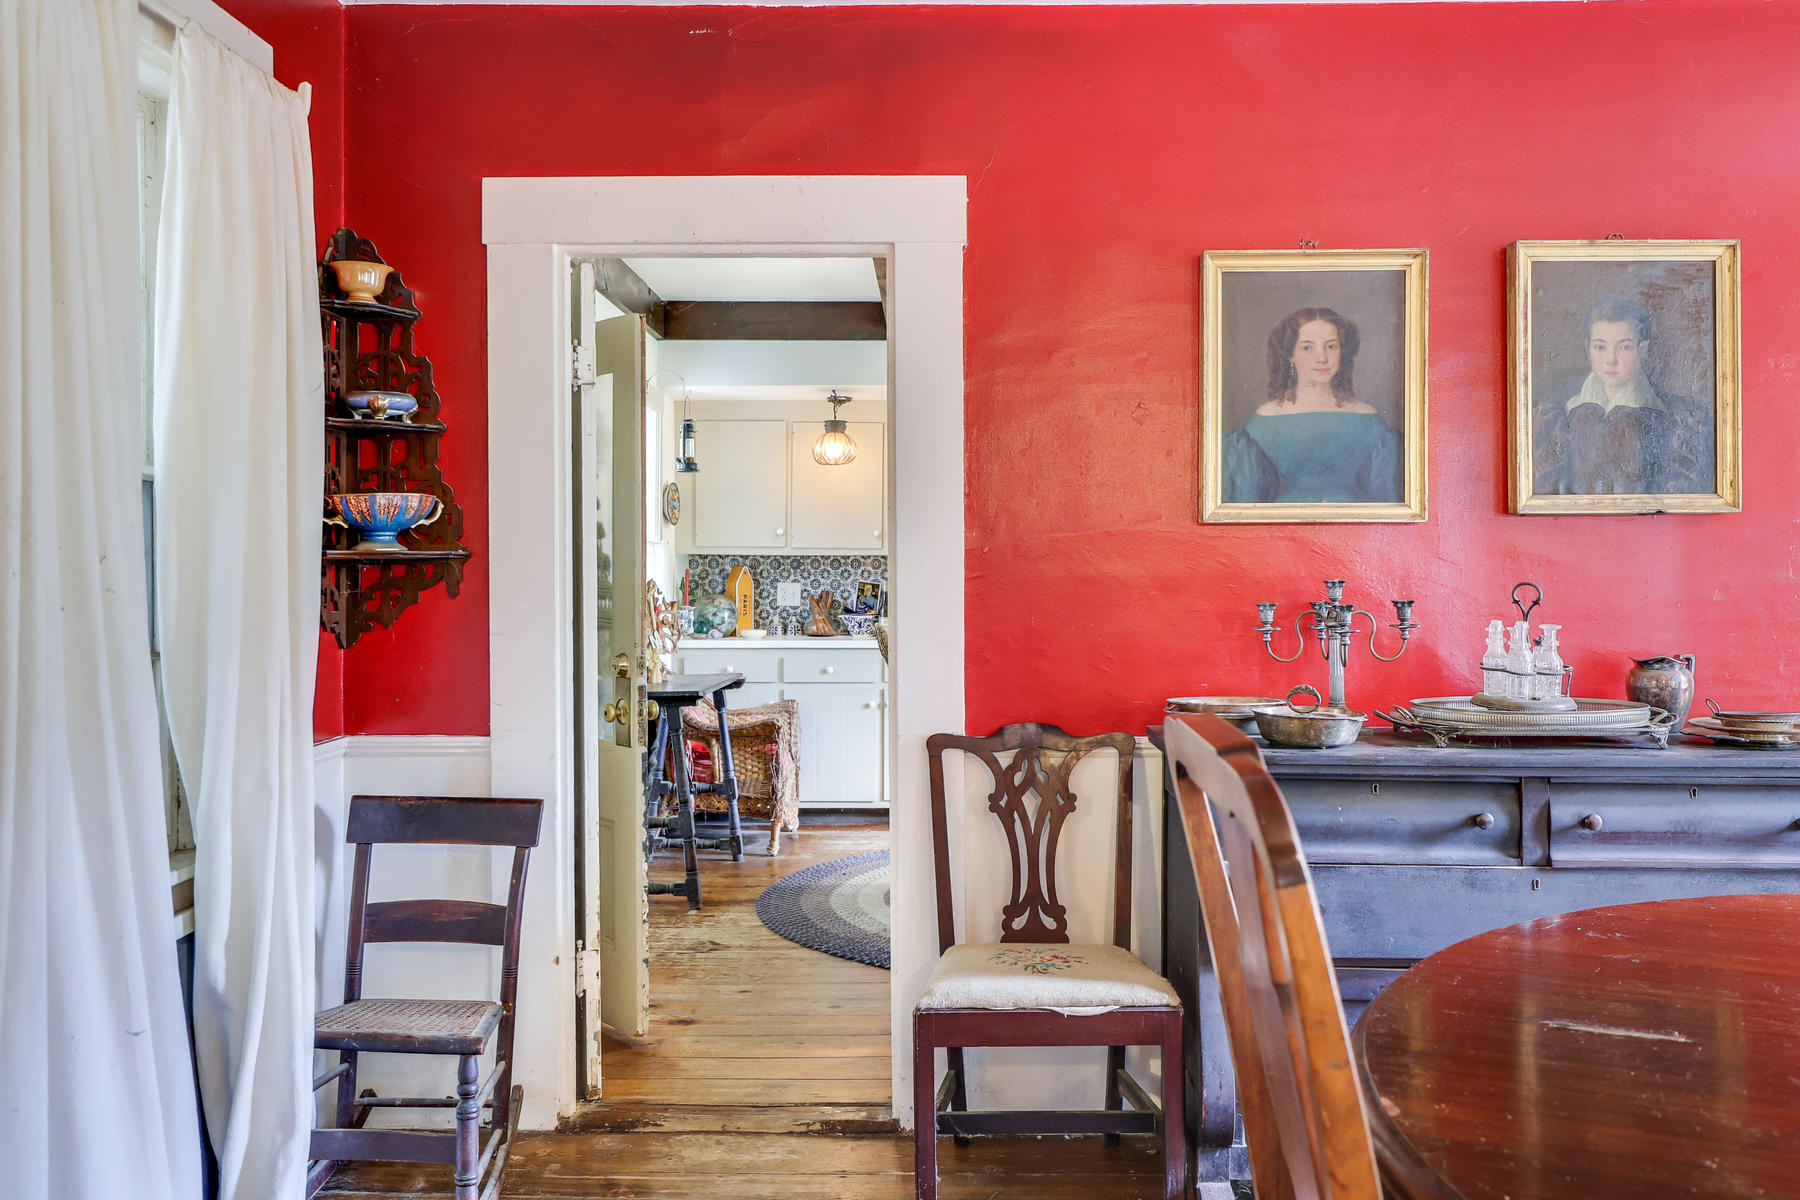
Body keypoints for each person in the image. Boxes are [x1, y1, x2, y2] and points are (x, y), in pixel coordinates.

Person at [1532, 295, 1713, 495]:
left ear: (1643, 349)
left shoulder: (1680, 416)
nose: (1611, 359)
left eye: (1625, 347)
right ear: (1587, 348)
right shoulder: (1556, 415)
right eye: (1600, 347)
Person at [1221, 307, 1403, 504]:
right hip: (1286, 526)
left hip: (1353, 525)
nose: (1322, 358)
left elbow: (1389, 496)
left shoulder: (1369, 420)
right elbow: (1244, 501)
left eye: (1331, 346)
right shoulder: (1263, 421)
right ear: (1290, 355)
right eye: (1308, 348)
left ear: (1342, 351)